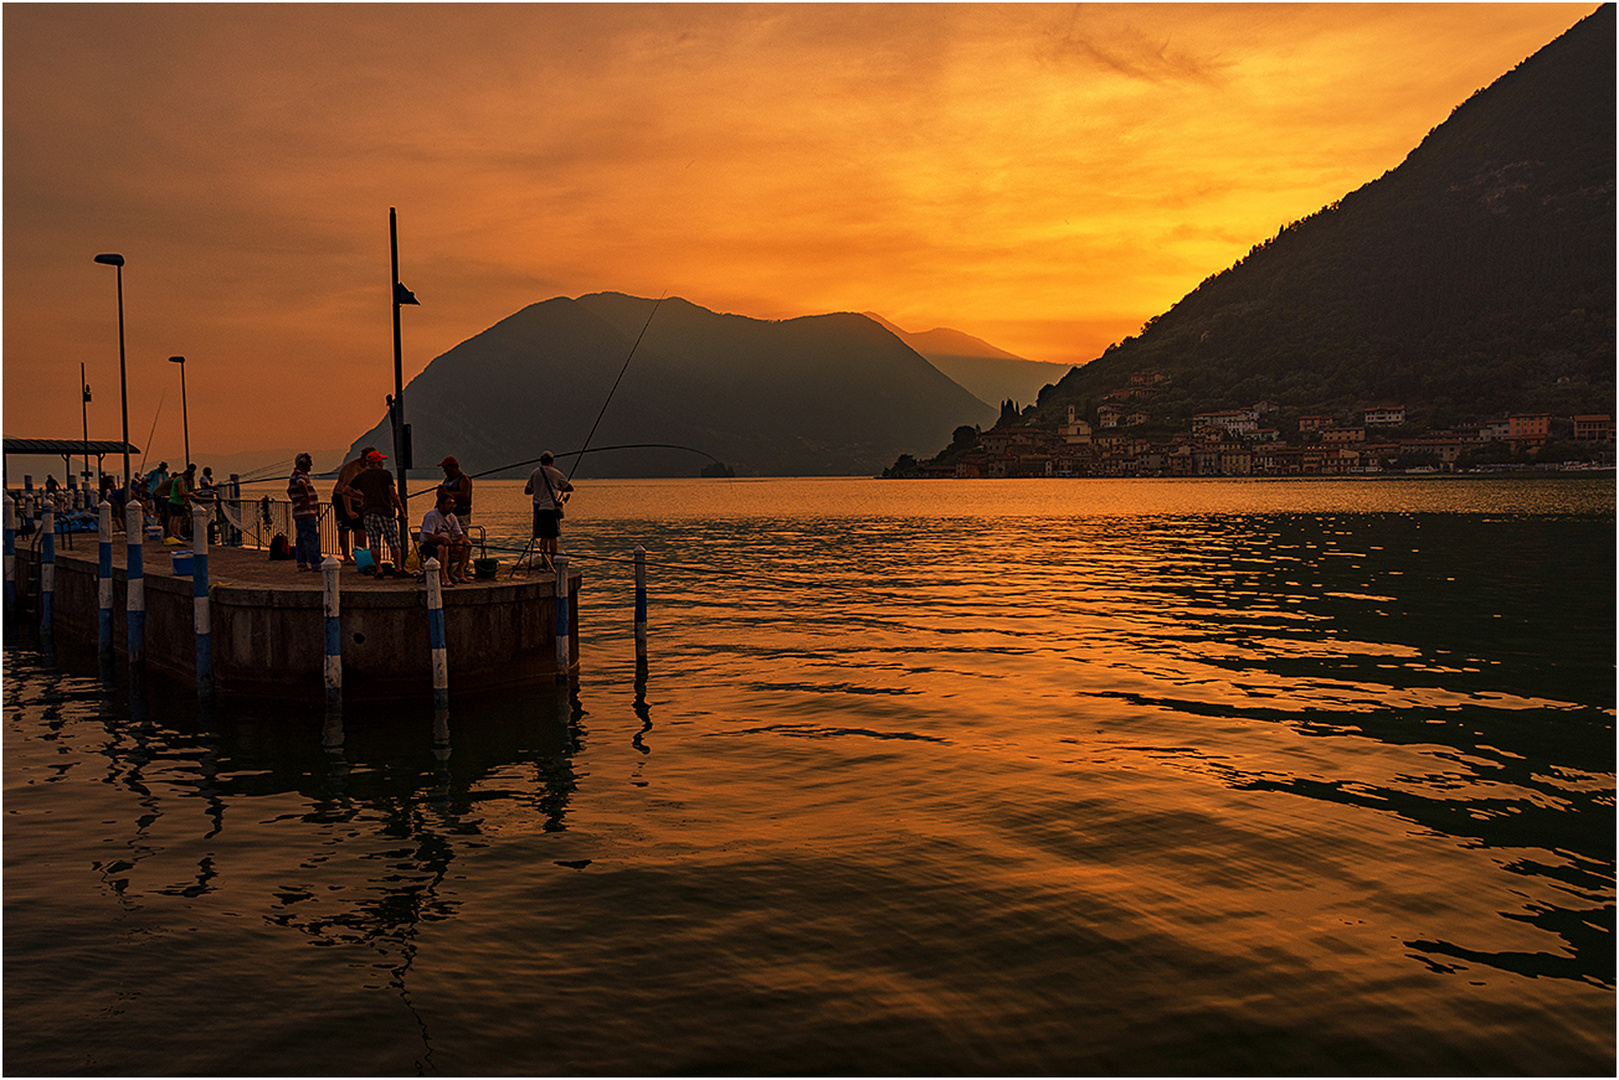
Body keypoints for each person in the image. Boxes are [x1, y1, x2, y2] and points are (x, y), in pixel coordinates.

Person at [349, 450, 404, 570]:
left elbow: (346, 490)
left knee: (374, 543)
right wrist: (402, 512)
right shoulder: (386, 475)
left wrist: (361, 497)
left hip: (368, 513)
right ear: (378, 463)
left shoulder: (361, 476)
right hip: (385, 512)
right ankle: (398, 568)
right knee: (393, 542)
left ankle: (378, 569)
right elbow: (393, 495)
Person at [523, 451, 573, 568]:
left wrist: (538, 489)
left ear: (541, 461)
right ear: (552, 462)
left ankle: (544, 562)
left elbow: (527, 491)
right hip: (551, 508)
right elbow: (570, 488)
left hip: (539, 509)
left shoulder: (534, 473)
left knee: (543, 536)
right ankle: (554, 561)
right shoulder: (556, 473)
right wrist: (557, 487)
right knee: (553, 536)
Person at [330, 447, 375, 564]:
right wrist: (348, 510)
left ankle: (359, 555)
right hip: (342, 498)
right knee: (344, 527)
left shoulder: (367, 468)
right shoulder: (352, 468)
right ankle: (346, 556)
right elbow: (346, 490)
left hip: (357, 499)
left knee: (361, 527)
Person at [418, 490, 471, 587]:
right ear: (440, 504)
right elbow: (428, 536)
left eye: (453, 504)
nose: (452, 506)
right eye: (449, 503)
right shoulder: (432, 516)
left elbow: (460, 534)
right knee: (443, 547)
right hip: (428, 544)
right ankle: (444, 576)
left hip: (445, 542)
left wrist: (459, 542)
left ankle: (459, 571)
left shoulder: (452, 517)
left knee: (467, 544)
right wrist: (443, 539)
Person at [287, 453, 321, 572]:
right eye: (309, 462)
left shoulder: (295, 475)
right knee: (311, 538)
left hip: (300, 513)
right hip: (306, 513)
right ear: (303, 463)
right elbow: (301, 483)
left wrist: (296, 501)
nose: (311, 465)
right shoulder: (300, 474)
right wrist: (306, 498)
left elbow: (288, 491)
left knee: (301, 539)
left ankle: (302, 563)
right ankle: (315, 564)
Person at [165, 463, 196, 544]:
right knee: (177, 519)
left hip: (173, 501)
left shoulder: (177, 479)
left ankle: (172, 534)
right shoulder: (181, 481)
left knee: (173, 517)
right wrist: (191, 494)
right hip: (177, 502)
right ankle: (176, 534)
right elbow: (181, 493)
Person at [437, 456, 473, 523]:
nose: (444, 470)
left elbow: (465, 494)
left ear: (453, 466)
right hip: (447, 515)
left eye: (445, 467)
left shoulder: (464, 479)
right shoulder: (447, 480)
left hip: (460, 515)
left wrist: (447, 493)